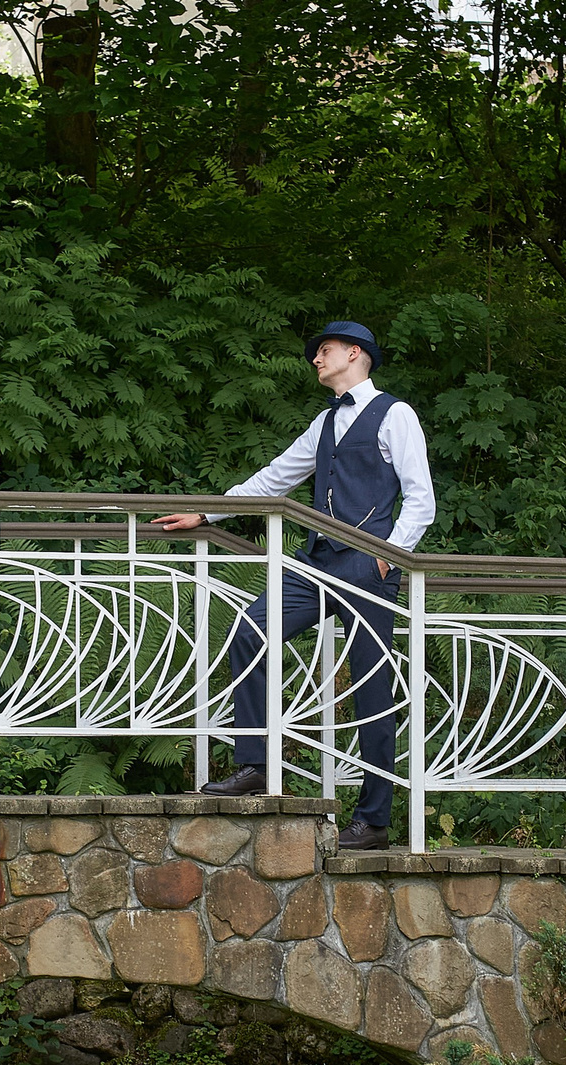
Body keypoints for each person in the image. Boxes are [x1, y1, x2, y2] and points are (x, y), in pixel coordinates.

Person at [154, 320, 433, 851]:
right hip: (316, 562)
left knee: (372, 687)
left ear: (355, 354)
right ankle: (256, 765)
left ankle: (373, 821)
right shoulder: (324, 424)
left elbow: (421, 499)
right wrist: (205, 512)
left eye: (324, 351)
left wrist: (385, 556)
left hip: (369, 563)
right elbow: (274, 477)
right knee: (251, 631)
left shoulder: (396, 414)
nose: (315, 360)